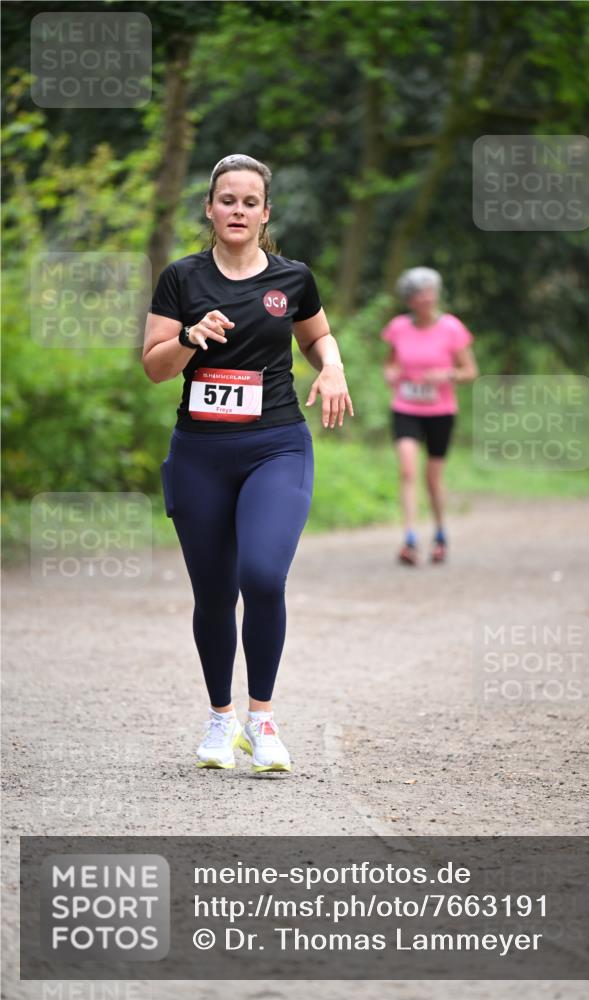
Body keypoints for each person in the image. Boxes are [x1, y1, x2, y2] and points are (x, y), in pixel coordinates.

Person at [143, 154, 353, 773]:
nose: (238, 211)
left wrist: (334, 366)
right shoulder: (181, 279)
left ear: (266, 214)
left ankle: (262, 720)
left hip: (275, 445)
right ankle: (220, 720)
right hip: (201, 452)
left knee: (261, 576)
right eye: (226, 200)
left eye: (249, 202)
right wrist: (188, 337)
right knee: (212, 594)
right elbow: (154, 367)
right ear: (209, 209)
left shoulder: (293, 279)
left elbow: (317, 337)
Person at [381, 267, 478, 566]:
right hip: (406, 408)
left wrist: (447, 374)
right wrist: (391, 374)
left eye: (430, 292)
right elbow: (390, 363)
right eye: (419, 294)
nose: (426, 298)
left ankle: (439, 533)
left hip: (440, 411)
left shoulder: (451, 328)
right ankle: (409, 538)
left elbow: (470, 371)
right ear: (410, 300)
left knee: (433, 478)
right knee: (408, 470)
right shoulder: (398, 327)